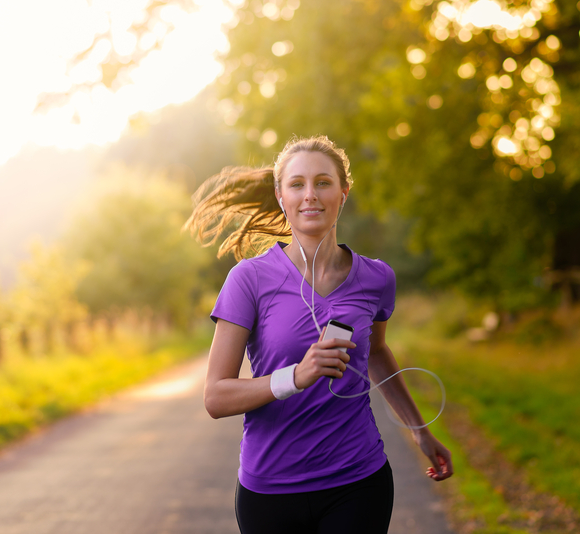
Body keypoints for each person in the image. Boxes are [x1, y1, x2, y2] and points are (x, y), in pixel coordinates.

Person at [185, 135, 453, 534]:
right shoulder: (249, 280)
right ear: (280, 196)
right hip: (271, 490)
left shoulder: (377, 278)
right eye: (297, 184)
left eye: (323, 182)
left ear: (343, 193)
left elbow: (376, 353)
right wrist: (295, 376)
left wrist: (419, 430)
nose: (310, 195)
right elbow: (216, 396)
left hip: (358, 481)